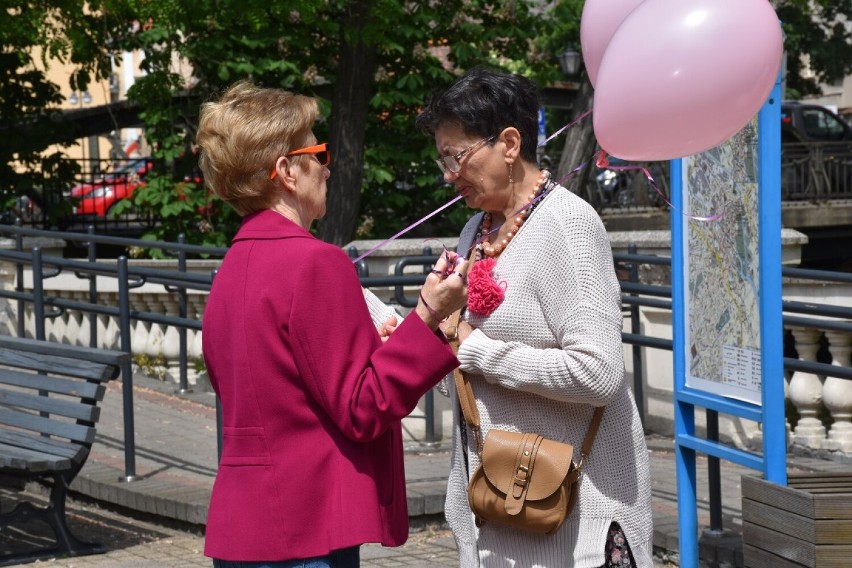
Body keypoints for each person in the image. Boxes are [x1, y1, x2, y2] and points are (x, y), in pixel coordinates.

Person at [196, 80, 468, 567]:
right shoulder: (315, 263)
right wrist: (427, 317)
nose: (327, 165)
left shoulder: (231, 267)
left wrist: (386, 347)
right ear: (286, 172)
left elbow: (285, 391)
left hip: (243, 526)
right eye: (317, 152)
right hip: (307, 527)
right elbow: (362, 407)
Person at [415, 67, 653, 567]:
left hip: (575, 514)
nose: (448, 175)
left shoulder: (569, 226)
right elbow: (466, 370)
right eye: (442, 159)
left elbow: (599, 372)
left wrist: (474, 348)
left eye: (456, 156)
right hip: (498, 509)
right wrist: (431, 336)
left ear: (508, 142)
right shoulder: (474, 232)